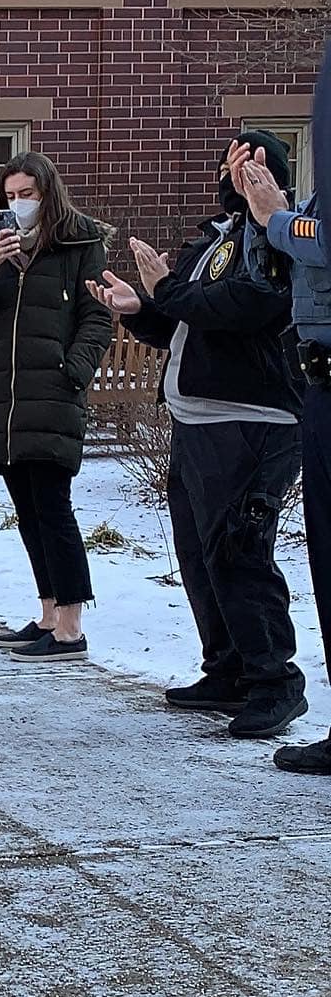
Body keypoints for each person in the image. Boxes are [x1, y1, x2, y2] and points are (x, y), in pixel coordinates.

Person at [90, 133, 306, 739]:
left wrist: (169, 293)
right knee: (199, 552)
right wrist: (142, 309)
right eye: (228, 160)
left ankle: (275, 679)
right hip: (196, 419)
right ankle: (228, 666)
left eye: (249, 161)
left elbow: (250, 305)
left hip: (253, 418)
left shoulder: (275, 236)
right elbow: (184, 318)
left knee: (239, 552)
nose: (232, 171)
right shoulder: (213, 237)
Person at [0, 151, 113, 663]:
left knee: (53, 508)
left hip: (53, 392)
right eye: (10, 196)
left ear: (48, 193)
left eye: (27, 194)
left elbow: (98, 317)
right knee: (27, 511)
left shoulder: (79, 244)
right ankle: (47, 612)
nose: (19, 204)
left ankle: (71, 625)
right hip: (7, 397)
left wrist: (74, 370)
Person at [233, 133, 331, 769]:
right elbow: (285, 259)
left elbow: (318, 242)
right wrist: (265, 212)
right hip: (317, 379)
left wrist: (277, 216)